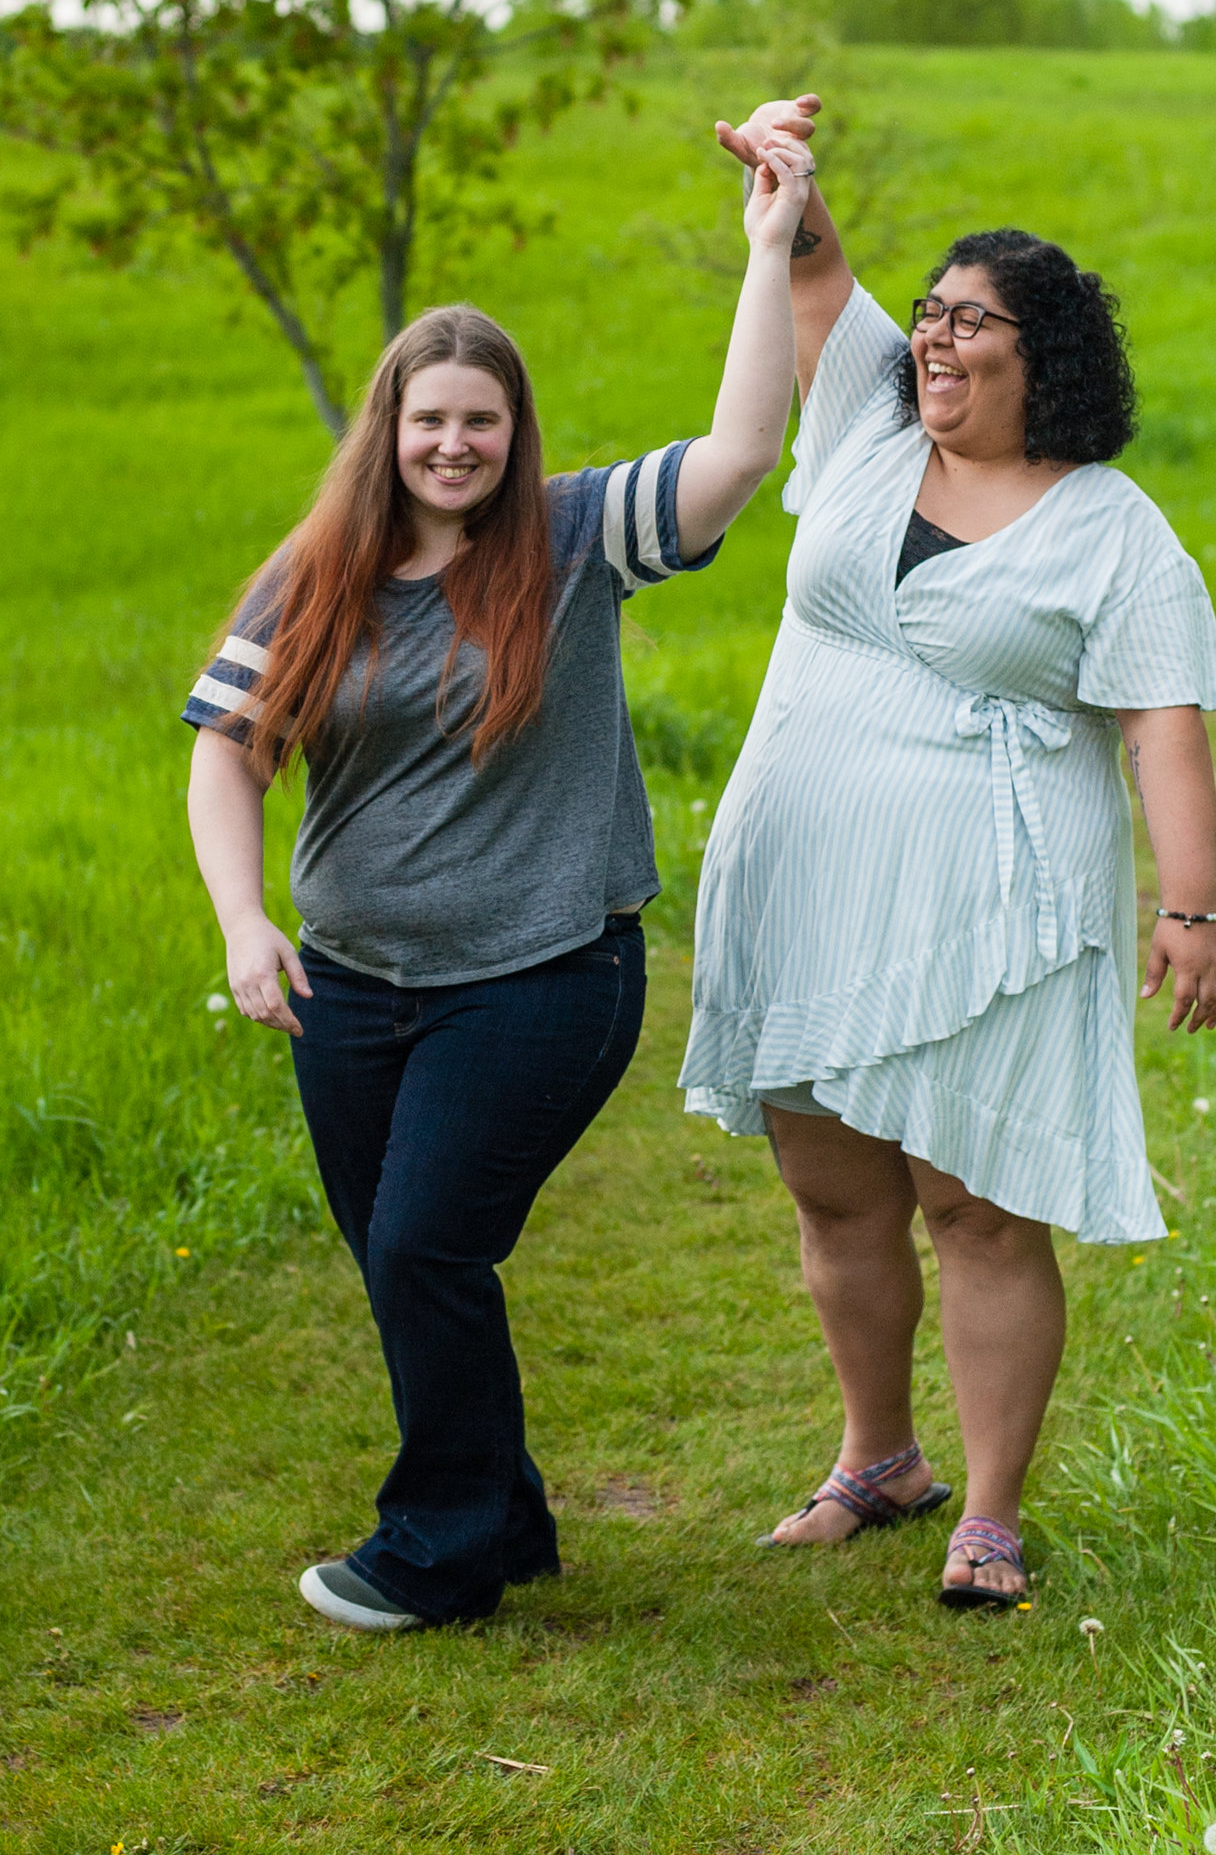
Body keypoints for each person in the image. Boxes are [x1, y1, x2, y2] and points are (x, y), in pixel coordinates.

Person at [182, 134, 815, 1631]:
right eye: (429, 419)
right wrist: (244, 919)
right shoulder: (318, 568)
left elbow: (739, 456)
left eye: (480, 420)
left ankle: (438, 1551)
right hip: (350, 987)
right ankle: (508, 1511)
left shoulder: (574, 535)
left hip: (541, 974)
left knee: (424, 1242)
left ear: (515, 431)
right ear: (387, 428)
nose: (453, 444)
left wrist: (768, 246)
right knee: (407, 1261)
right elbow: (226, 755)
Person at [681, 93, 1216, 1612]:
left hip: (989, 903)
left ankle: (987, 1510)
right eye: (926, 314)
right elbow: (812, 273)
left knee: (975, 1201)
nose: (931, 337)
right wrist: (787, 174)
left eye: (969, 320)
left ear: (1039, 357)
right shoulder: (865, 424)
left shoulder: (1113, 529)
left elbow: (1162, 726)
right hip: (804, 873)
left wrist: (1188, 906)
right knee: (836, 1194)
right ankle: (879, 1456)